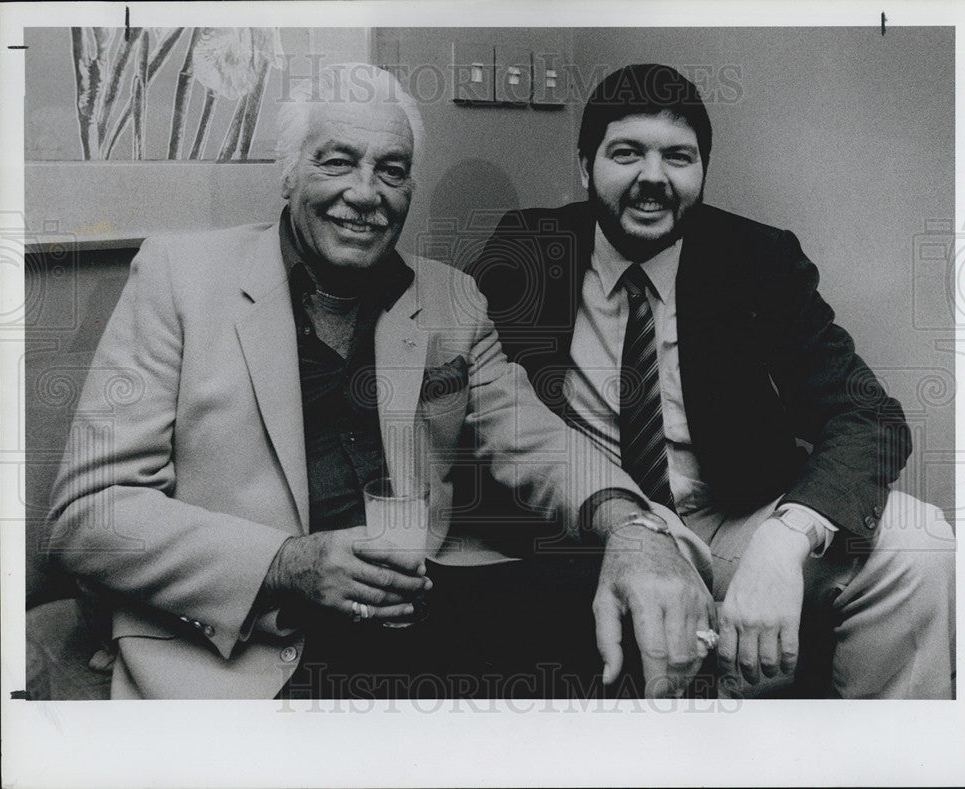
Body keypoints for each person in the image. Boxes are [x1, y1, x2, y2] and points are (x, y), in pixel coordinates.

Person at [45, 63, 715, 700]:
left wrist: (632, 527)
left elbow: (537, 441)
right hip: (243, 641)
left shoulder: (451, 300)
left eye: (391, 171)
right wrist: (289, 561)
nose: (365, 193)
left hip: (412, 609)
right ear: (289, 173)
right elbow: (91, 512)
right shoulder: (179, 277)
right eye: (337, 161)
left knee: (627, 621)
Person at [468, 63, 955, 698]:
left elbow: (867, 416)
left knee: (921, 546)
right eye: (626, 153)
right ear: (584, 165)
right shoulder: (530, 250)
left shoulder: (758, 260)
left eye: (679, 157)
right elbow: (480, 397)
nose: (653, 179)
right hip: (601, 524)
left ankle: (892, 761)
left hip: (729, 519)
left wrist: (785, 541)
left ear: (701, 171)